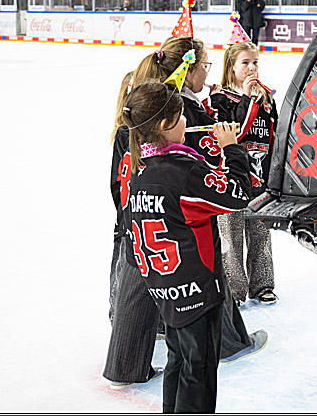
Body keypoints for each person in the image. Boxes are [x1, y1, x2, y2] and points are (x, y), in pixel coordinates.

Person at [104, 38, 266, 391]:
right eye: (204, 66)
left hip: (141, 227)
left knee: (147, 304)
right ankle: (227, 343)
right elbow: (228, 189)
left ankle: (126, 365)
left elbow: (118, 183)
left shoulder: (141, 111)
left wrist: (128, 217)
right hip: (179, 240)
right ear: (188, 69)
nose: (208, 74)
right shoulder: (179, 113)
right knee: (196, 345)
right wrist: (234, 150)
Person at [121, 81, 252, 414]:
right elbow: (238, 196)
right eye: (181, 118)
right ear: (165, 125)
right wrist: (232, 148)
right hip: (197, 293)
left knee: (179, 362)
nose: (186, 123)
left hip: (164, 290)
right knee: (199, 372)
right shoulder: (184, 173)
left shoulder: (140, 169)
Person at [209, 40, 279, 306]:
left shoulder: (267, 98)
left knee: (261, 235)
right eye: (245, 63)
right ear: (231, 66)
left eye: (255, 62)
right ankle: (234, 291)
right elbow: (234, 132)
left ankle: (263, 285)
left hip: (261, 179)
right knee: (231, 237)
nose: (252, 68)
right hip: (232, 178)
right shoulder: (220, 98)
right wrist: (249, 100)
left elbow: (274, 136)